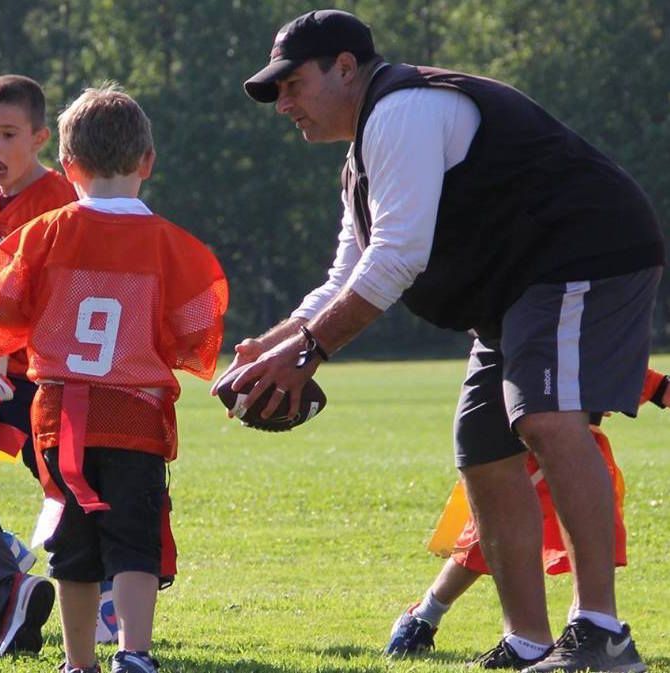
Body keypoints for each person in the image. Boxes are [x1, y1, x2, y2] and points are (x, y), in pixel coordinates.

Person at [216, 9, 664, 673]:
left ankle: (600, 632)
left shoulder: (403, 112)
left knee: (543, 416)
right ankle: (529, 640)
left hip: (582, 253)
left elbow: (398, 259)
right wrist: (275, 344)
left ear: (345, 67)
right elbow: (347, 273)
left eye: (291, 84)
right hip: (518, 289)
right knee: (484, 445)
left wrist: (307, 351)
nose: (283, 103)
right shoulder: (364, 155)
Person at [0, 83, 228, 673]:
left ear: (68, 165)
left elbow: (1, 302)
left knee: (72, 545)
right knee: (134, 540)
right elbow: (198, 320)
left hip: (57, 414)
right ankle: (134, 653)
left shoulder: (40, 235)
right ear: (147, 161)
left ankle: (79, 660)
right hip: (135, 413)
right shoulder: (171, 244)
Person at [386, 368, 670, 666]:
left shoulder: (598, 339)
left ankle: (588, 629)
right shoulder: (539, 331)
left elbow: (644, 379)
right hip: (526, 451)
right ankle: (424, 615)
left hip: (579, 454)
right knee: (489, 541)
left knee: (594, 541)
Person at [0, 73, 78, 656]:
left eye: (7, 133)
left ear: (39, 137)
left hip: (37, 375)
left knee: (74, 485)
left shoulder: (60, 203)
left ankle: (112, 586)